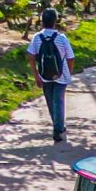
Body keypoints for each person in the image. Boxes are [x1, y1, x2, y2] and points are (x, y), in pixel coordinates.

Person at [31, 9, 74, 144]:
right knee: (59, 101)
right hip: (61, 76)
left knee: (50, 101)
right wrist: (69, 72)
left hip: (44, 76)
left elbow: (30, 55)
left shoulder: (37, 38)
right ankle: (58, 128)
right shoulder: (62, 38)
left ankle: (57, 124)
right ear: (56, 21)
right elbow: (71, 57)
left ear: (42, 21)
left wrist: (36, 75)